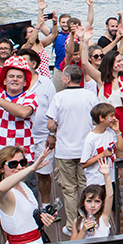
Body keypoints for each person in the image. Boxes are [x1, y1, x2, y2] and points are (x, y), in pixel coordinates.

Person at [45, 65, 97, 227]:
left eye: (62, 77)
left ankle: (72, 224)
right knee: (85, 186)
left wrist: (54, 132)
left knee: (69, 189)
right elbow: (96, 120)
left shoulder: (59, 97)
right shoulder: (90, 95)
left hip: (64, 150)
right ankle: (88, 220)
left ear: (67, 79)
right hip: (86, 150)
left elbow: (50, 124)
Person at [16, 48, 57, 203]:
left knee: (44, 174)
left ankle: (45, 204)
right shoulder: (16, 82)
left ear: (34, 64)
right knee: (20, 174)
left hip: (42, 137)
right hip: (20, 138)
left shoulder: (46, 83)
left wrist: (52, 135)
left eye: (24, 61)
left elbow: (54, 110)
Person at [0, 56, 38, 161]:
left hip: (23, 159)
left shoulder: (31, 96)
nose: (15, 79)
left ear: (25, 82)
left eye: (19, 77)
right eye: (11, 76)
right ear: (4, 80)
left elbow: (24, 112)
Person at [81, 103, 123, 186]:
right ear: (101, 118)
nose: (114, 118)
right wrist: (102, 155)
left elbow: (121, 148)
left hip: (111, 178)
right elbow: (84, 163)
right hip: (96, 181)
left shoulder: (110, 132)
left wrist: (117, 131)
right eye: (111, 116)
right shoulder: (90, 138)